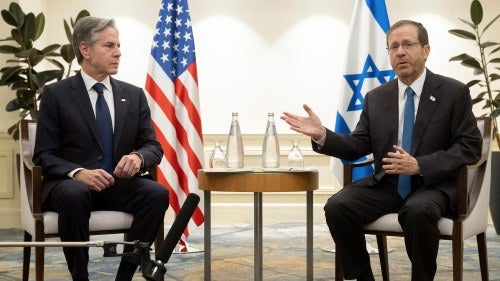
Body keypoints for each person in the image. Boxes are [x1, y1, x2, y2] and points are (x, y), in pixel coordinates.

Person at [281, 20, 482, 281]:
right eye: (394, 46)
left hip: (434, 185)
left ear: (426, 50)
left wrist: (420, 164)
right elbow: (356, 146)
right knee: (337, 206)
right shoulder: (377, 97)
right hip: (389, 184)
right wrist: (323, 135)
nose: (400, 52)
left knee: (417, 211)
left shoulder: (453, 92)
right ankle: (363, 278)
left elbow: (470, 147)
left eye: (408, 44)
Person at [33, 16, 169, 281]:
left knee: (156, 194)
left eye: (118, 45)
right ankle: (80, 277)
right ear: (85, 49)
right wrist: (78, 172)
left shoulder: (134, 95)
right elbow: (44, 154)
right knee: (74, 195)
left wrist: (138, 158)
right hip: (71, 187)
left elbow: (152, 145)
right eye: (109, 46)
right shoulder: (56, 94)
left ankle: (125, 276)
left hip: (117, 184)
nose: (118, 52)